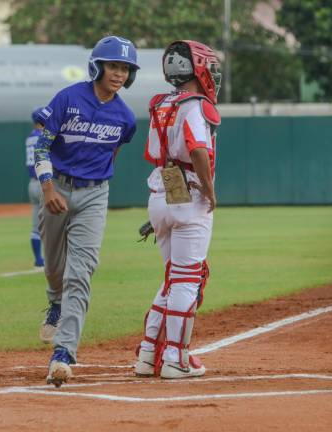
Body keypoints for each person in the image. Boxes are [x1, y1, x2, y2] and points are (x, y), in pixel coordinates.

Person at [34, 35, 139, 387]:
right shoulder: (68, 98)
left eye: (125, 68)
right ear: (98, 66)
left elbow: (113, 154)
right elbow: (42, 146)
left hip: (95, 195)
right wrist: (48, 187)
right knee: (54, 266)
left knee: (81, 273)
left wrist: (95, 183)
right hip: (57, 187)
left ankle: (63, 354)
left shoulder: (125, 117)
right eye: (113, 66)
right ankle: (55, 302)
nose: (119, 74)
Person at [134, 40, 220, 379]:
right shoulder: (197, 105)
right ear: (197, 69)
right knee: (188, 279)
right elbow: (198, 149)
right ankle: (175, 359)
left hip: (162, 188)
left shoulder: (161, 102)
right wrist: (210, 192)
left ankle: (146, 354)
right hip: (190, 193)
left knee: (172, 278)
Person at [26, 107, 48, 268]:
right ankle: (53, 258)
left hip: (32, 184)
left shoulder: (29, 138)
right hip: (44, 183)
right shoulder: (44, 137)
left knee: (36, 226)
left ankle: (38, 260)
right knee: (56, 223)